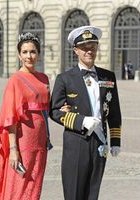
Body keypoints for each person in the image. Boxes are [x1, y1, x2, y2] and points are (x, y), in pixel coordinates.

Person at [0, 32, 53, 200]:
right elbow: (10, 118)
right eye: (25, 52)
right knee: (18, 184)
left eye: (32, 51)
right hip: (23, 142)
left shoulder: (44, 78)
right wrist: (13, 150)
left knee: (34, 185)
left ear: (38, 54)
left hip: (41, 142)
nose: (29, 56)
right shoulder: (15, 80)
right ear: (19, 54)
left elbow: (49, 108)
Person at [49, 25, 122, 200]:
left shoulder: (108, 77)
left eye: (93, 47)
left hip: (99, 143)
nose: (89, 51)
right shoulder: (65, 79)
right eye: (84, 48)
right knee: (74, 192)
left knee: (92, 192)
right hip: (76, 143)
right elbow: (54, 111)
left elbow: (114, 112)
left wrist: (116, 141)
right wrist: (81, 121)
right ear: (76, 50)